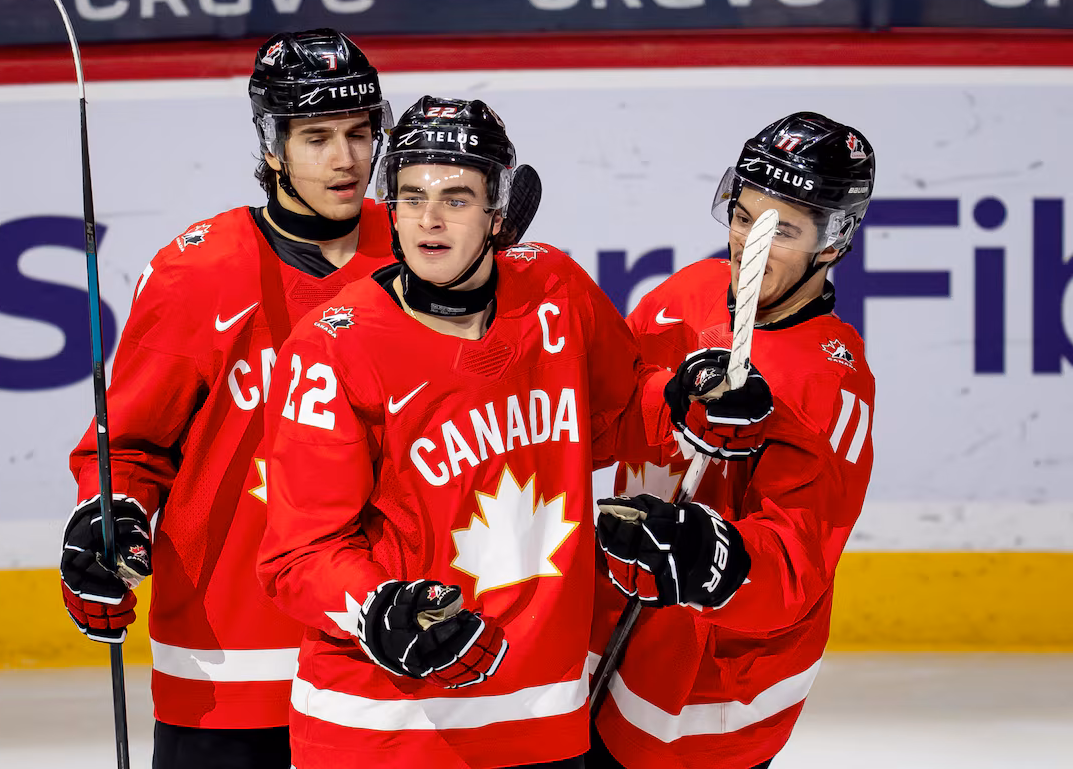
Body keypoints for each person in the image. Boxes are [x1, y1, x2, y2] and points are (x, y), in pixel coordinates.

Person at [254, 97, 750, 768]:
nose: (429, 218)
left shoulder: (558, 292)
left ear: (498, 213)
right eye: (409, 196)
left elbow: (620, 423)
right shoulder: (331, 349)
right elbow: (298, 553)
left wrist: (688, 399)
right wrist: (375, 608)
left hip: (544, 723)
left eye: (456, 198)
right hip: (385, 728)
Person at [59, 29, 395, 769]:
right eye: (316, 137)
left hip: (382, 657)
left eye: (359, 132)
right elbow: (131, 449)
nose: (346, 159)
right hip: (228, 668)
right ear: (272, 146)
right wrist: (105, 517)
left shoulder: (418, 254)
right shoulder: (200, 271)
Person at [587, 111, 878, 769]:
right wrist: (672, 393)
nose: (750, 243)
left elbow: (797, 566)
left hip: (711, 690)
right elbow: (608, 422)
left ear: (833, 243)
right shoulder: (686, 292)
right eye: (745, 215)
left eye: (784, 230)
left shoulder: (831, 385)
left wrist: (714, 556)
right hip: (614, 630)